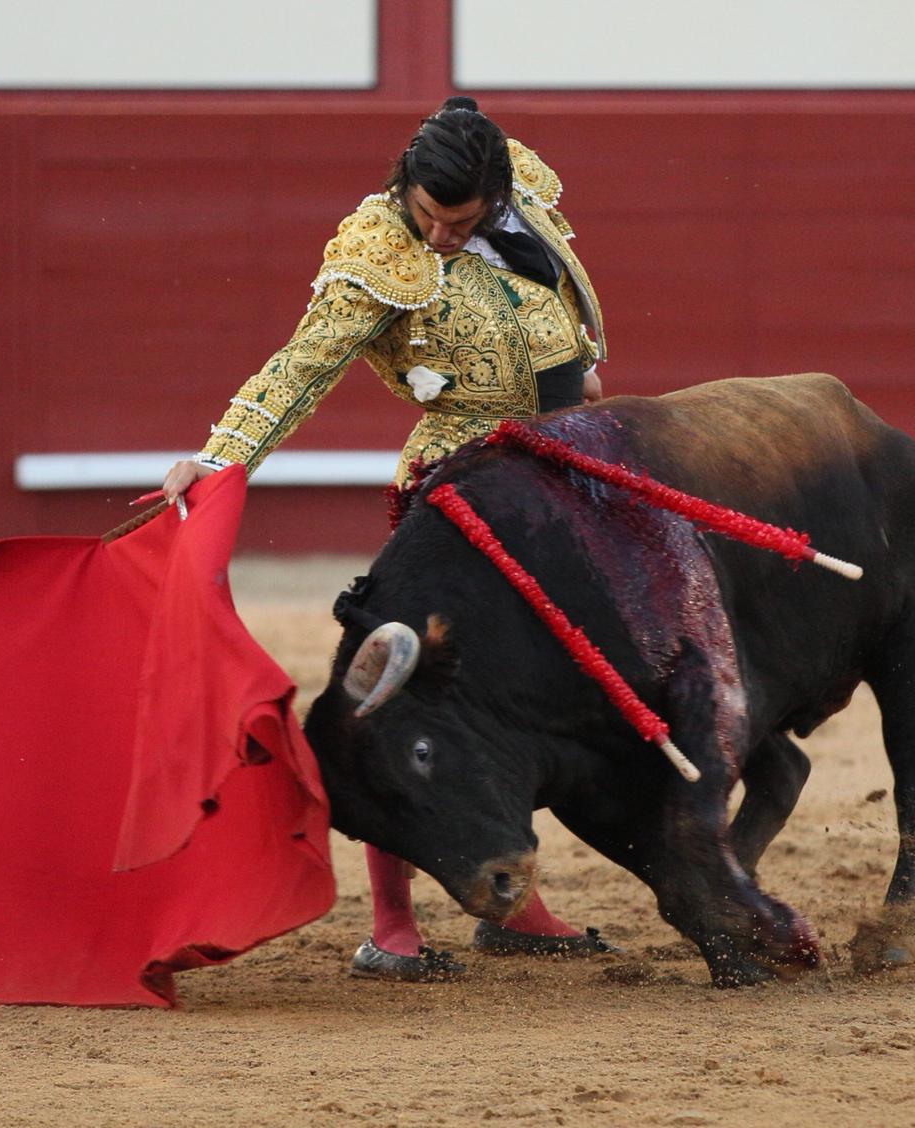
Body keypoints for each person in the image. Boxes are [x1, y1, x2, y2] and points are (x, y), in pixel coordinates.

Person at [161, 97, 615, 981]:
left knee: (528, 697)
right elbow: (301, 366)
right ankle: (393, 924)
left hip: (561, 487)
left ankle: (514, 902)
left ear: (494, 193)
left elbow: (559, 306)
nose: (439, 235)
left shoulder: (523, 198)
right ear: (404, 187)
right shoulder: (377, 252)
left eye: (460, 219)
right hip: (459, 495)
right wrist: (219, 459)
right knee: (407, 694)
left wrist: (580, 369)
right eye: (427, 215)